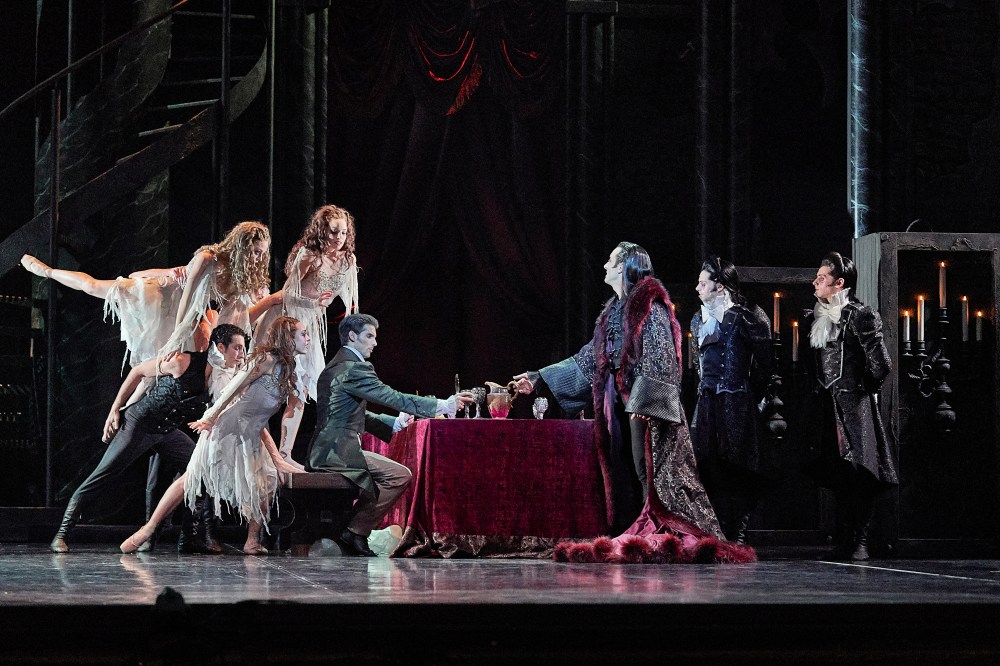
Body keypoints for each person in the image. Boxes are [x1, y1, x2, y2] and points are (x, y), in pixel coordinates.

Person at [513, 242, 755, 564]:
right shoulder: (612, 311)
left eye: (611, 261)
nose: (604, 267)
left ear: (627, 265)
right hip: (617, 404)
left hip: (643, 405)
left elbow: (660, 358)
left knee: (648, 471)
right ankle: (636, 529)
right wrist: (538, 378)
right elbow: (588, 359)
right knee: (624, 468)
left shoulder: (650, 306)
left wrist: (643, 403)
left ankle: (658, 531)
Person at [120, 316, 307, 556]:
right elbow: (233, 388)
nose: (308, 338)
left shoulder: (289, 372)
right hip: (226, 428)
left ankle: (252, 541)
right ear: (287, 338)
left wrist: (278, 455)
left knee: (267, 482)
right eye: (303, 334)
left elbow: (264, 420)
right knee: (192, 478)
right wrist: (211, 416)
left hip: (250, 435)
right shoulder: (264, 360)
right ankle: (148, 529)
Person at [307, 313, 474, 557]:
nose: (374, 343)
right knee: (398, 475)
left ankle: (355, 530)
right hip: (336, 452)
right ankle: (355, 530)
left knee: (395, 473)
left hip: (330, 448)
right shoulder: (354, 368)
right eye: (369, 336)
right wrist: (443, 405)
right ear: (352, 336)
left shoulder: (337, 366)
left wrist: (393, 423)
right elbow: (390, 396)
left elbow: (349, 415)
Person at [21, 220, 277, 370]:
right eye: (254, 251)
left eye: (261, 254)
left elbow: (233, 320)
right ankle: (48, 271)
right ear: (240, 246)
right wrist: (176, 337)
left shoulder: (241, 277)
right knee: (96, 287)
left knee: (161, 365)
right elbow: (186, 295)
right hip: (165, 291)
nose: (257, 258)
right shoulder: (209, 258)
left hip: (184, 304)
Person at [48, 346, 212, 553]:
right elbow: (138, 372)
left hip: (167, 429)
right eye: (236, 348)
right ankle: (62, 535)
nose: (240, 355)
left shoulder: (224, 376)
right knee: (103, 475)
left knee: (201, 472)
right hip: (141, 423)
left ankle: (187, 539)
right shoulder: (183, 361)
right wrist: (115, 408)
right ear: (219, 349)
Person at [806, 251, 897, 561]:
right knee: (839, 475)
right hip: (829, 406)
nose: (815, 282)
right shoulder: (818, 315)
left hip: (854, 405)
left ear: (839, 283)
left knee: (862, 474)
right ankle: (844, 537)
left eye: (822, 278)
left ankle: (860, 539)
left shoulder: (861, 314)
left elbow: (882, 364)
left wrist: (864, 391)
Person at [256, 205, 360, 470]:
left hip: (310, 326)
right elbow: (286, 294)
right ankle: (259, 450)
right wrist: (314, 302)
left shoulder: (347, 260)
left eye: (343, 232)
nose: (338, 237)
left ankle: (285, 452)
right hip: (286, 321)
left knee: (302, 388)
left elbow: (349, 300)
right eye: (333, 231)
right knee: (270, 383)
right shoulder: (309, 256)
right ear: (321, 230)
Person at [690, 256, 775, 545]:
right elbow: (698, 365)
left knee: (738, 466)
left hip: (736, 402)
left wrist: (749, 392)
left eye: (704, 283)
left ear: (721, 287)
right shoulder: (697, 319)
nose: (697, 288)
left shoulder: (746, 316)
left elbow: (766, 363)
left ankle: (737, 532)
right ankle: (716, 529)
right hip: (706, 404)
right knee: (708, 466)